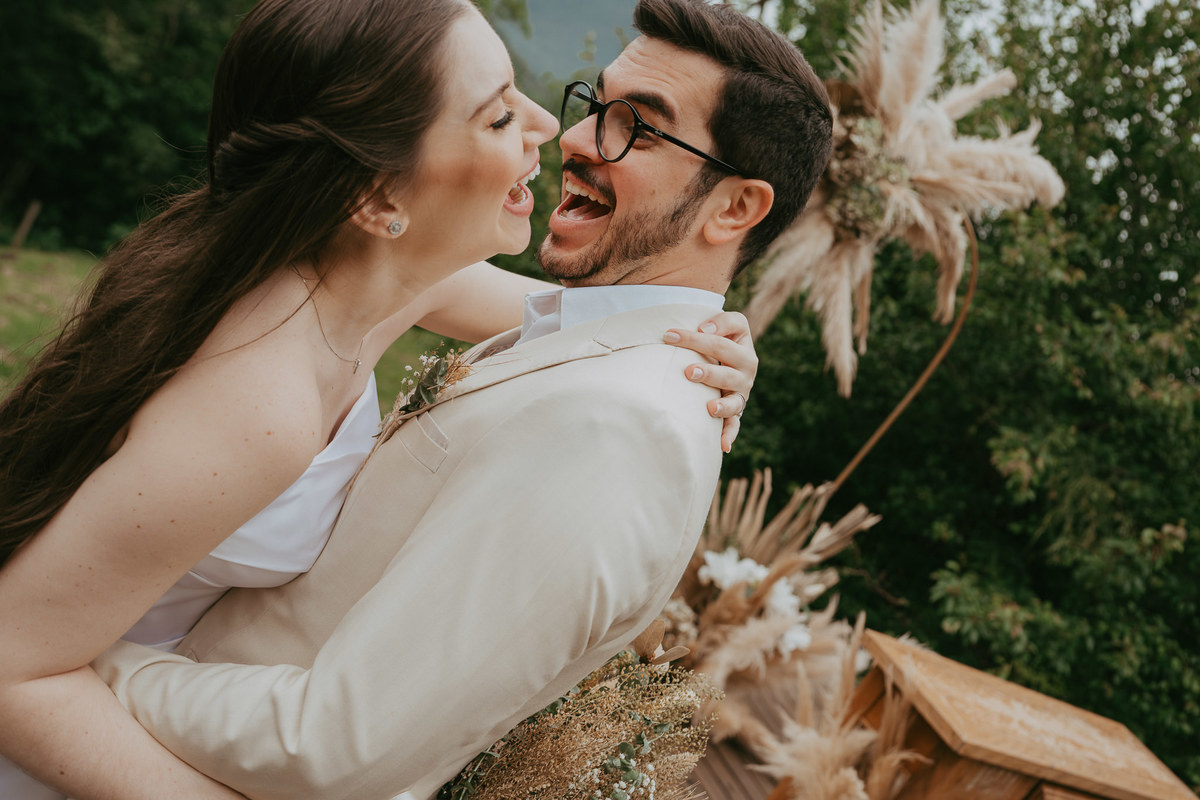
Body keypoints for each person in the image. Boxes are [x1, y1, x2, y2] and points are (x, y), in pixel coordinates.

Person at [0, 0, 761, 797]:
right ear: (378, 199)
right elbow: (17, 665)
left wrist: (706, 341)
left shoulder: (370, 283)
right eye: (500, 117)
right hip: (65, 745)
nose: (551, 127)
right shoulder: (261, 405)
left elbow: (585, 327)